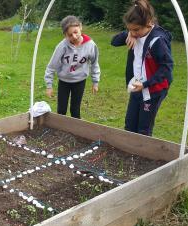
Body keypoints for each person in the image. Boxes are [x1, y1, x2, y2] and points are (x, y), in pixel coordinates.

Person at [111, 0, 173, 136]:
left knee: (143, 129)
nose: (133, 33)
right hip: (137, 86)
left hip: (153, 89)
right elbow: (114, 42)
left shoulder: (158, 41)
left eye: (136, 30)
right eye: (130, 29)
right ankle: (129, 153)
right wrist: (128, 34)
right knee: (129, 124)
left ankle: (142, 155)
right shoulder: (135, 33)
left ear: (149, 23)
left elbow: (166, 68)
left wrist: (145, 84)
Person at [44, 15, 100, 119]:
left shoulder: (91, 45)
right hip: (64, 81)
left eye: (75, 32)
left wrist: (95, 82)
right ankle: (60, 131)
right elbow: (51, 66)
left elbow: (94, 63)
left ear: (80, 27)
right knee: (61, 110)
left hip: (80, 81)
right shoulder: (62, 46)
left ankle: (76, 131)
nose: (74, 36)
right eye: (69, 35)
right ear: (65, 35)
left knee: (75, 109)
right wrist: (49, 85)